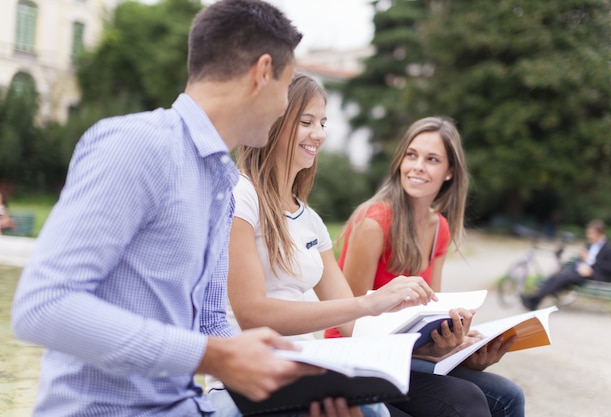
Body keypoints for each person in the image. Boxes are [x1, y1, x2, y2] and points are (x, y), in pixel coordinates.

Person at [9, 2, 352, 416]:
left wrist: (282, 384)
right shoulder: (138, 147)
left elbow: (210, 322)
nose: (284, 107)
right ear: (262, 73)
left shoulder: (220, 182)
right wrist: (216, 357)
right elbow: (42, 307)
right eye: (285, 87)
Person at [219, 75, 492, 417]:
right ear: (272, 121)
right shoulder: (239, 197)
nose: (319, 133)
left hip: (306, 368)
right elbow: (252, 314)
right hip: (252, 377)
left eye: (322, 122)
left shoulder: (310, 220)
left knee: (466, 401)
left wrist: (428, 348)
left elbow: (354, 325)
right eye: (306, 121)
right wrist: (369, 303)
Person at [324, 117, 526, 417]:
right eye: (411, 155)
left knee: (509, 395)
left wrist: (456, 343)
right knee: (465, 400)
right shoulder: (374, 221)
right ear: (400, 161)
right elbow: (348, 323)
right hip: (357, 359)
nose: (418, 166)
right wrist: (427, 350)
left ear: (449, 172)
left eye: (432, 159)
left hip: (403, 357)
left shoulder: (439, 228)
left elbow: (432, 311)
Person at [521, 219, 611, 310]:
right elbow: (582, 260)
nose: (588, 236)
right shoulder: (589, 244)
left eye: (591, 233)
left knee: (563, 278)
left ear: (600, 233)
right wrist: (580, 265)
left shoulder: (609, 247)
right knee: (555, 277)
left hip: (596, 275)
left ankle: (534, 301)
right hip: (581, 272)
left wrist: (590, 266)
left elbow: (609, 267)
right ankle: (534, 299)